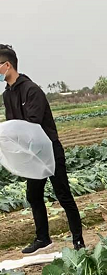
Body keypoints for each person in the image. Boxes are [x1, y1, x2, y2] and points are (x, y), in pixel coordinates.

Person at [0, 44, 84, 253]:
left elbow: (32, 125)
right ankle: (43, 238)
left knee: (63, 194)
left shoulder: (31, 90)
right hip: (31, 154)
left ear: (7, 65)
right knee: (34, 196)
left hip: (49, 150)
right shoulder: (7, 94)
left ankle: (78, 240)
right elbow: (14, 126)